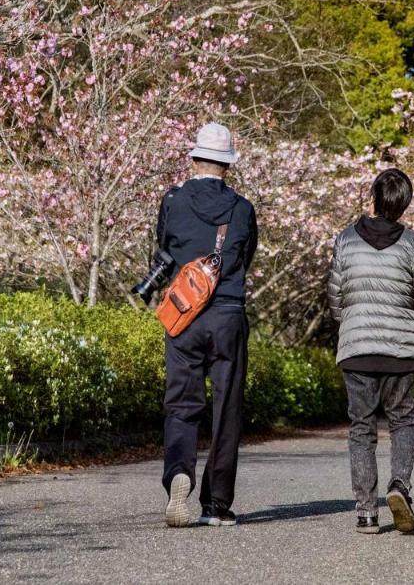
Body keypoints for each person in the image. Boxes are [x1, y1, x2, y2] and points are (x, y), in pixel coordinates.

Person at [157, 122, 258, 528]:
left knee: (182, 403)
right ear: (227, 165)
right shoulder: (242, 208)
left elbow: (162, 250)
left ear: (195, 158)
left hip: (185, 313)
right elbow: (246, 256)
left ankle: (179, 473)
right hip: (228, 314)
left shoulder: (173, 201)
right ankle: (217, 504)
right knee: (227, 407)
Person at [327, 168, 414, 535]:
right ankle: (399, 485)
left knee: (361, 428)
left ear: (373, 196)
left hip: (357, 348)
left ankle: (366, 512)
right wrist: (404, 328)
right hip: (400, 350)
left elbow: (335, 299)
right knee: (403, 420)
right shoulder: (412, 243)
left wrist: (353, 327)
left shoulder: (345, 240)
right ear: (404, 204)